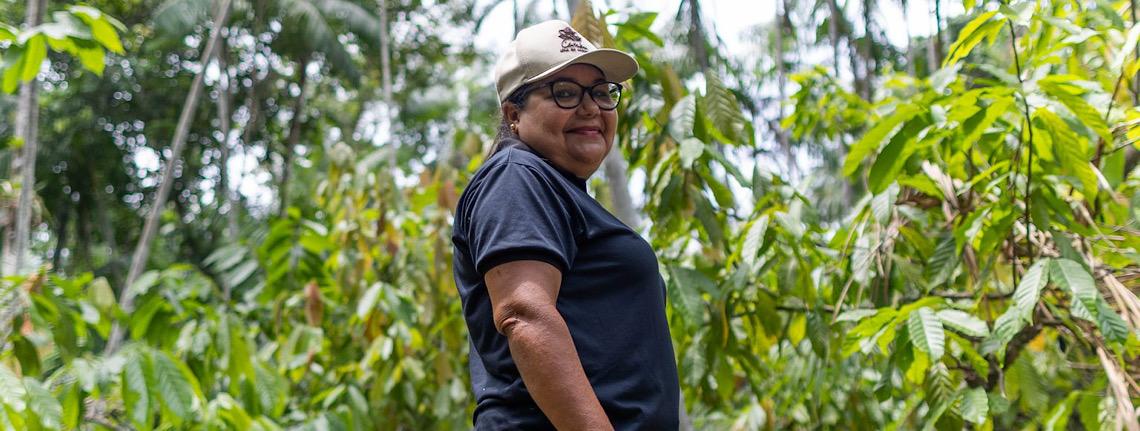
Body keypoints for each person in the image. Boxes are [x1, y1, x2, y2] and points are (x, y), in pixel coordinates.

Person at [451, 20, 680, 430]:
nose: (591, 107)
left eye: (601, 92)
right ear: (513, 114)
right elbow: (525, 314)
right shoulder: (515, 175)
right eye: (565, 92)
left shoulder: (555, 188)